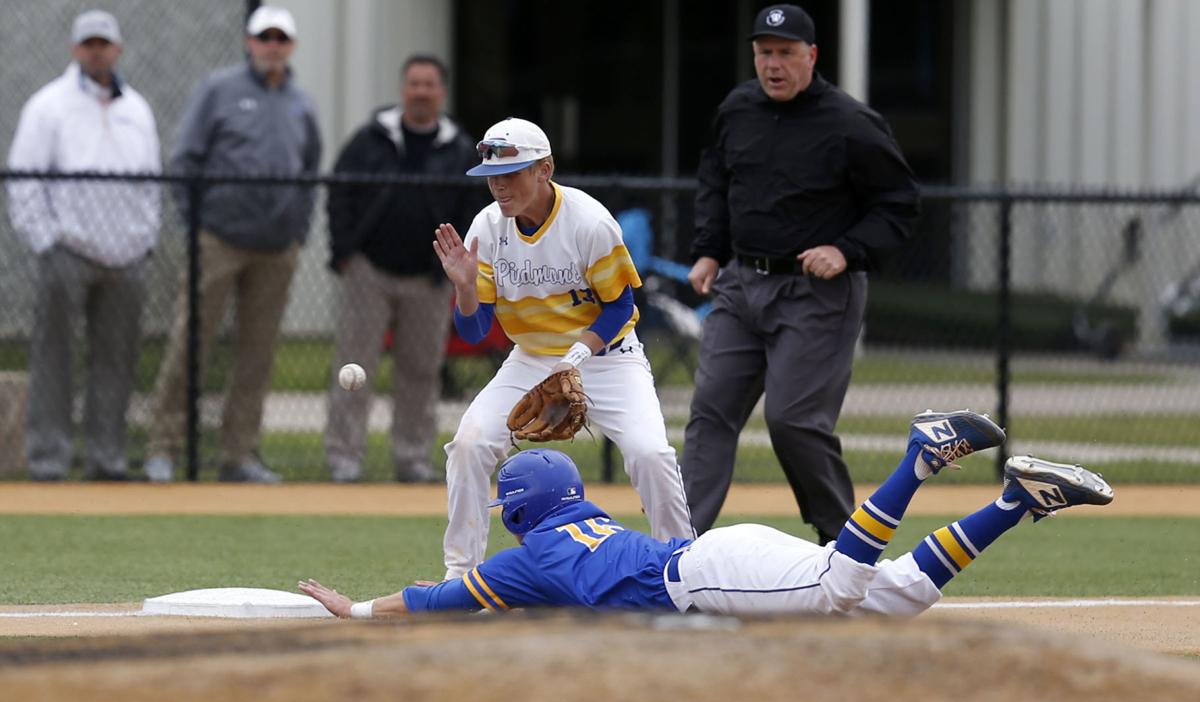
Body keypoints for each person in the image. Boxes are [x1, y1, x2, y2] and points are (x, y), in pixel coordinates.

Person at [300, 410, 1115, 618]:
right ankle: (1015, 500)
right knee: (894, 596)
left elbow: (435, 601)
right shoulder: (574, 533)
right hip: (716, 559)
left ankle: (922, 457)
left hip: (708, 579)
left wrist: (356, 610)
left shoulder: (531, 559)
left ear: (518, 513)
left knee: (840, 586)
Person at [683, 4, 921, 544]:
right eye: (764, 52)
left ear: (812, 56)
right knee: (710, 412)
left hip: (816, 294)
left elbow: (900, 204)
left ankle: (846, 545)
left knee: (793, 422)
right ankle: (677, 547)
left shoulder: (851, 124)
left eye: (786, 53)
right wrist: (708, 251)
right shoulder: (737, 109)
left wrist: (847, 249)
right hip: (741, 285)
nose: (774, 64)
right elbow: (716, 181)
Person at [429, 117, 695, 580]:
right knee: (470, 443)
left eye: (511, 173)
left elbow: (621, 306)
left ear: (544, 169)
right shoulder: (488, 228)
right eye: (492, 176)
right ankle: (461, 576)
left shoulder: (589, 221)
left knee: (650, 454)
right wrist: (467, 289)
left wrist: (574, 359)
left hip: (609, 358)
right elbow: (474, 332)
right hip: (530, 358)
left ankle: (687, 569)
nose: (499, 185)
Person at [143, 5, 321, 483]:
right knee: (189, 343)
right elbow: (186, 160)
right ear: (249, 41)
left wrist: (297, 231)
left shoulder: (301, 102)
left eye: (281, 38)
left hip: (276, 248)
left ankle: (238, 455)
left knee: (257, 354)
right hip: (218, 240)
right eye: (265, 37)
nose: (272, 46)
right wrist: (196, 226)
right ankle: (163, 447)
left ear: (292, 46)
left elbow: (309, 171)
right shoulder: (218, 90)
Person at [6, 10, 160, 481]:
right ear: (76, 49)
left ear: (117, 49)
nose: (97, 51)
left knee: (115, 360)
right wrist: (46, 240)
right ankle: (49, 460)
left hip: (128, 255)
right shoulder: (48, 106)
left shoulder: (137, 109)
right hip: (68, 250)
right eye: (88, 43)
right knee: (54, 356)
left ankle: (106, 459)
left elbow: (152, 182)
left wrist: (146, 237)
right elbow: (24, 178)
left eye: (105, 43)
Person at [324, 54, 478, 484]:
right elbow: (340, 191)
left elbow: (471, 209)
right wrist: (344, 250)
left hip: (428, 278)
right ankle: (344, 457)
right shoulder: (372, 138)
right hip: (369, 270)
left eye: (430, 84)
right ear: (402, 88)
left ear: (441, 91)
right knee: (354, 365)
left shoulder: (458, 147)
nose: (421, 91)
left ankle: (412, 458)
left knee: (422, 370)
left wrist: (448, 266)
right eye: (414, 83)